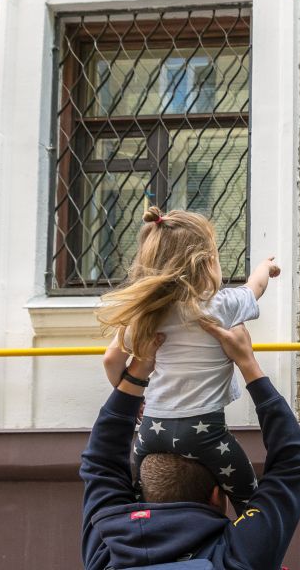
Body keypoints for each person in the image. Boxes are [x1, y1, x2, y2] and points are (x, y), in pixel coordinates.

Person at [80, 323, 300, 570]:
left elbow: (293, 461)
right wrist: (247, 362)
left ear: (143, 493)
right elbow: (100, 463)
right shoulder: (239, 554)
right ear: (217, 496)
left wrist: (136, 371)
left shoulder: (107, 549)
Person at [97, 206, 280, 515]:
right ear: (208, 263)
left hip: (151, 431)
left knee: (142, 509)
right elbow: (255, 287)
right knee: (253, 507)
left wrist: (131, 397)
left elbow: (111, 360)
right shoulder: (221, 306)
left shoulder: (146, 315)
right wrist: (266, 267)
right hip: (206, 433)